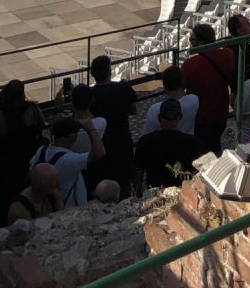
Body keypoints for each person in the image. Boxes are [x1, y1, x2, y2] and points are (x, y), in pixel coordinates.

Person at [0, 80, 45, 223]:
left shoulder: (1, 118)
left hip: (8, 167)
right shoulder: (33, 110)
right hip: (31, 161)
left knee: (2, 204)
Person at [29, 112, 105, 209]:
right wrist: (91, 129)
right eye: (76, 132)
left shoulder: (42, 150)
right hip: (70, 210)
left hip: (48, 206)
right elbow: (100, 152)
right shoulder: (69, 160)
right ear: (69, 137)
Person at [180, 23, 235, 154]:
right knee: (214, 144)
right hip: (221, 113)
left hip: (201, 118)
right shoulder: (227, 55)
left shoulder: (190, 65)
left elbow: (180, 90)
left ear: (201, 42)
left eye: (192, 40)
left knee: (203, 152)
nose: (190, 44)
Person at [87, 54, 137, 194]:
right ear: (110, 71)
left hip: (100, 147)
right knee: (124, 187)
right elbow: (133, 110)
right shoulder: (123, 87)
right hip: (122, 144)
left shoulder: (89, 94)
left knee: (101, 188)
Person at [135, 98, 203, 188]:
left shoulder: (145, 141)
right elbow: (198, 171)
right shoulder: (192, 142)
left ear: (159, 117)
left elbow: (138, 170)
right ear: (180, 117)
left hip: (154, 191)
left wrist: (137, 191)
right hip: (182, 191)